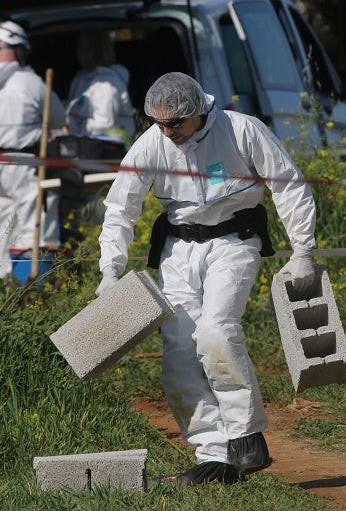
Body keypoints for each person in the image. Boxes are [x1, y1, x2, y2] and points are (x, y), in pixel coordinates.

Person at [96, 72, 317, 485]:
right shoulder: (152, 143)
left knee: (216, 333)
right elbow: (120, 209)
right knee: (178, 353)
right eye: (158, 123)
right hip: (177, 251)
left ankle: (245, 436)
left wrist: (302, 251)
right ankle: (213, 454)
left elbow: (289, 186)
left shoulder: (242, 129)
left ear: (198, 112)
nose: (167, 131)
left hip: (234, 241)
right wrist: (110, 270)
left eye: (174, 123)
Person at [0, 20, 66, 279]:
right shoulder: (31, 82)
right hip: (22, 164)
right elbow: (58, 119)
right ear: (20, 50)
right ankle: (32, 287)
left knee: (3, 229)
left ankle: (7, 284)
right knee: (32, 227)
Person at [66, 30, 136, 145]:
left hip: (110, 149)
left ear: (91, 51)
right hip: (86, 145)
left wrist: (72, 126)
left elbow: (105, 123)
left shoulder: (106, 83)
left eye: (81, 47)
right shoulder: (81, 77)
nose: (77, 51)